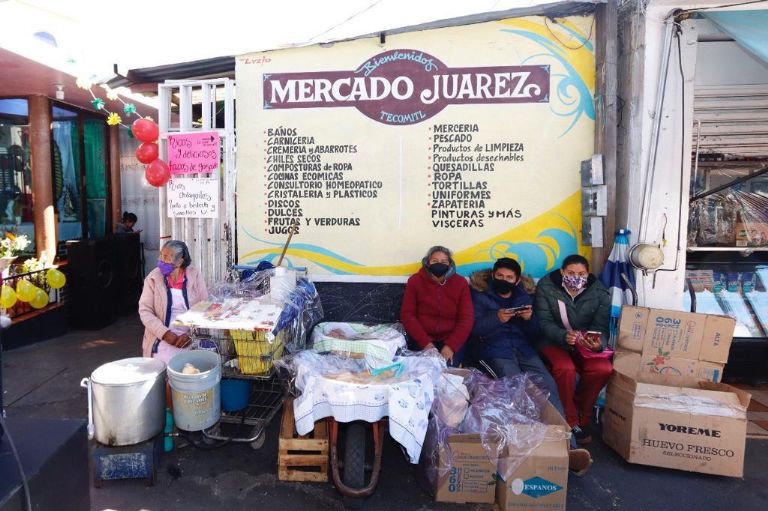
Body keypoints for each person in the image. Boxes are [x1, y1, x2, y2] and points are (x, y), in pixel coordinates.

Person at [468, 257, 592, 475]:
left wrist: (529, 319)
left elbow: (536, 334)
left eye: (509, 277)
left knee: (547, 386)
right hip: (494, 352)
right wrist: (496, 319)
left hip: (524, 351)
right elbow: (473, 330)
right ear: (492, 276)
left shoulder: (524, 297)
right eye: (500, 276)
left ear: (516, 281)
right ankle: (531, 449)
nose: (503, 280)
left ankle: (568, 447)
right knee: (517, 387)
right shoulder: (479, 296)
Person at [534, 254, 612, 445]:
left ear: (588, 274)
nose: (576, 277)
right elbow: (543, 322)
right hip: (553, 340)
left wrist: (597, 343)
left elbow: (601, 327)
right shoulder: (547, 286)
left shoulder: (599, 292)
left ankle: (582, 415)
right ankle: (569, 420)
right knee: (565, 369)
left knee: (603, 369)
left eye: (581, 273)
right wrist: (562, 336)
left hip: (584, 344)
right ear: (562, 272)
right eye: (570, 273)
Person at [400, 246, 473, 367]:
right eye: (434, 261)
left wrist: (451, 346)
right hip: (422, 339)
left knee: (447, 374)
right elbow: (407, 315)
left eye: (444, 262)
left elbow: (466, 319)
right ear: (427, 263)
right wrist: (426, 344)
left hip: (451, 340)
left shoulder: (460, 283)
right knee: (423, 372)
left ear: (450, 264)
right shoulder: (415, 281)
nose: (439, 264)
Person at [139, 240, 208, 364]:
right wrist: (165, 333)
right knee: (163, 373)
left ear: (180, 261)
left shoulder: (195, 275)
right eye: (161, 255)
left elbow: (205, 308)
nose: (161, 260)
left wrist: (191, 335)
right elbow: (145, 311)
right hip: (161, 338)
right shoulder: (153, 278)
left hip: (189, 338)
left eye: (166, 257)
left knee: (189, 371)